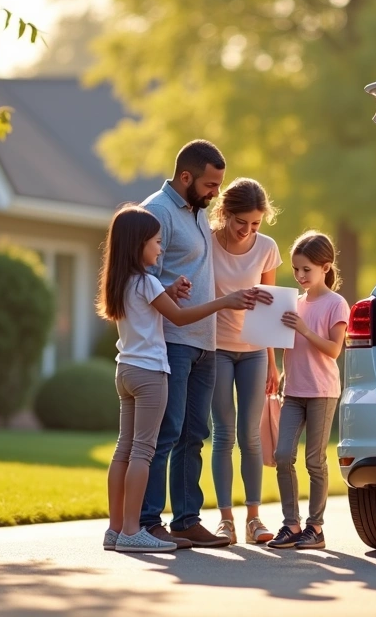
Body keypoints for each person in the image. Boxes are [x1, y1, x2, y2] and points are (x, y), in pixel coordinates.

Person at [96, 205, 260, 553]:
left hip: (124, 370)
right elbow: (182, 319)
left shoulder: (123, 281)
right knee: (144, 449)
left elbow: (150, 307)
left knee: (123, 449)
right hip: (151, 373)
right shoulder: (147, 281)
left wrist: (168, 290)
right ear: (137, 244)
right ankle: (132, 531)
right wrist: (224, 301)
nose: (160, 248)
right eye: (156, 242)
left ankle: (114, 530)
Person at [139, 140, 272, 549]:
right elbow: (143, 276)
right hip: (176, 339)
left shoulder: (195, 213)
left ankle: (186, 520)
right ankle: (148, 521)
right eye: (211, 184)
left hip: (205, 342)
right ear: (186, 177)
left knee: (194, 433)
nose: (216, 191)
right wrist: (170, 288)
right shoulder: (158, 212)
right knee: (169, 432)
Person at [208, 178, 283, 545]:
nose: (248, 230)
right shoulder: (206, 242)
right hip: (217, 349)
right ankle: (225, 520)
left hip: (254, 351)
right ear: (225, 213)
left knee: (251, 436)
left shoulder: (267, 248)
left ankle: (254, 519)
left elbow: (270, 306)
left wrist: (272, 362)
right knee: (223, 434)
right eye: (242, 222)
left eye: (255, 224)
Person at [267, 231, 351, 550]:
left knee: (314, 460)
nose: (300, 276)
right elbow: (290, 346)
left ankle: (315, 527)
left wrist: (303, 328)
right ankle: (291, 524)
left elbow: (333, 350)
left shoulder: (335, 304)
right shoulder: (293, 303)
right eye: (296, 269)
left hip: (322, 392)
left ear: (325, 267)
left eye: (307, 270)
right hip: (294, 391)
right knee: (282, 454)